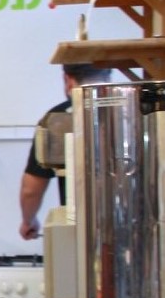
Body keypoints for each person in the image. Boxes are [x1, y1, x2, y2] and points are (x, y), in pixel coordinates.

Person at [19, 63, 114, 240]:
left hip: (82, 233)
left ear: (68, 79)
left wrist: (28, 221)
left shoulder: (57, 119)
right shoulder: (135, 110)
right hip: (136, 229)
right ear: (109, 76)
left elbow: (31, 190)